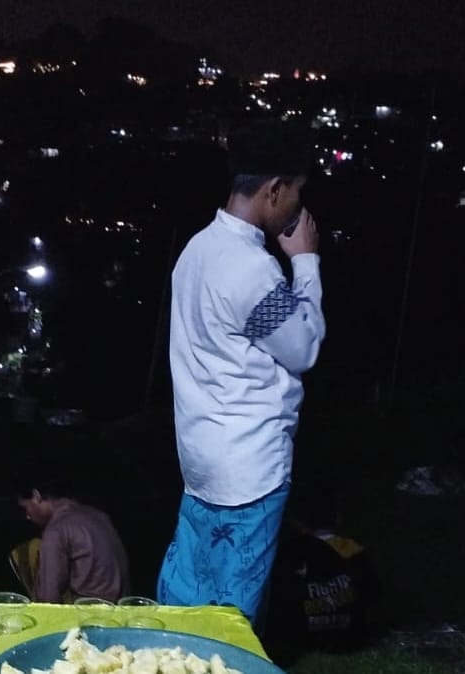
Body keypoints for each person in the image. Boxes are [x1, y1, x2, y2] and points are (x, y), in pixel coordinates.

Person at [157, 121, 325, 628]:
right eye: (296, 193)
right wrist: (307, 263)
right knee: (233, 616)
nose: (298, 208)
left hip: (200, 458)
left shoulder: (196, 251)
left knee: (186, 595)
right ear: (274, 189)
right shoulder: (251, 269)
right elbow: (304, 348)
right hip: (249, 466)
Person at [262, 486, 381, 664]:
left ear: (295, 522)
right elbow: (373, 598)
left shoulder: (287, 556)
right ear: (338, 518)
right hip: (349, 638)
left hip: (300, 642)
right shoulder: (356, 555)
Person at [14, 465, 130, 603]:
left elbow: (47, 600)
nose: (27, 516)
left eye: (26, 508)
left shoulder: (56, 531)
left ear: (36, 496)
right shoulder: (100, 516)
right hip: (122, 610)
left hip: (90, 615)